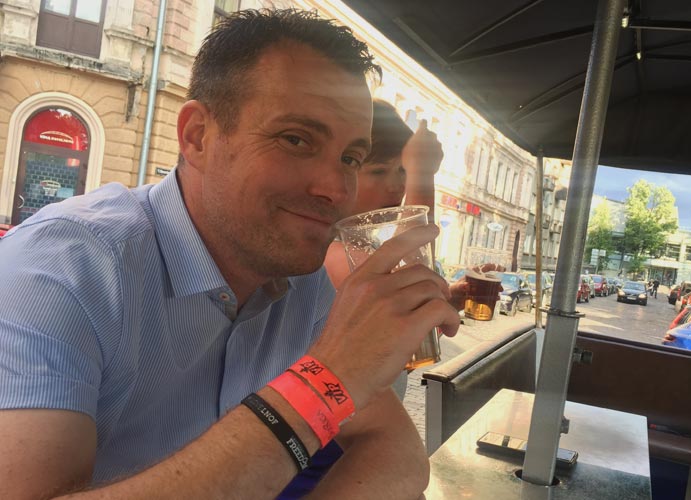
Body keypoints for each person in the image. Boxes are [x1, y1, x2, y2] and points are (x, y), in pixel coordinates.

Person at [0, 9, 460, 499]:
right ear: (197, 135)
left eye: (350, 158)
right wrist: (327, 380)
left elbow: (393, 445)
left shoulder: (301, 285)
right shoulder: (61, 269)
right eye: (296, 139)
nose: (335, 189)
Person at [323, 99, 444, 399]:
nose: (396, 187)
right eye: (378, 171)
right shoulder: (330, 250)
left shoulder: (364, 245)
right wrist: (422, 176)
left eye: (402, 171)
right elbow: (406, 278)